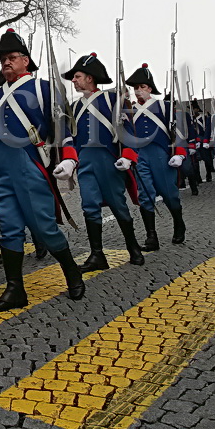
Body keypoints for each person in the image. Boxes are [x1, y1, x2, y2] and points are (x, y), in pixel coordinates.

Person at [0, 29, 84, 312]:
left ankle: (71, 272)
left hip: (29, 165)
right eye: (2, 59)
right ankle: (15, 289)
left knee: (44, 226)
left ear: (25, 60)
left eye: (11, 57)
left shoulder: (43, 88)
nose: (6, 63)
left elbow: (63, 126)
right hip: (1, 169)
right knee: (8, 228)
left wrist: (69, 157)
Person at [63, 52, 144, 271]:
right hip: (85, 162)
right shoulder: (75, 107)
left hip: (108, 161)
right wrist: (70, 161)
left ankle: (133, 247)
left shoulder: (113, 99)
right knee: (89, 206)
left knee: (118, 206)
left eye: (77, 76)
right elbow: (71, 136)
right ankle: (97, 255)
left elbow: (129, 130)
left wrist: (128, 156)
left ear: (89, 78)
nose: (74, 80)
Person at [123, 64, 188, 249]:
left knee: (169, 194)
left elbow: (180, 132)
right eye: (135, 88)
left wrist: (180, 155)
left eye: (142, 87)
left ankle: (179, 224)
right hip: (140, 155)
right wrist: (128, 157)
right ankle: (151, 237)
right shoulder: (130, 111)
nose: (138, 91)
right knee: (145, 195)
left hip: (161, 154)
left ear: (150, 88)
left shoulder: (164, 107)